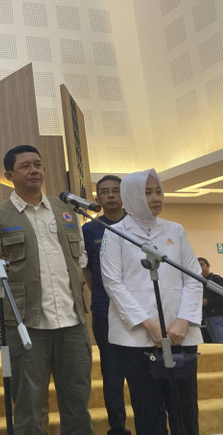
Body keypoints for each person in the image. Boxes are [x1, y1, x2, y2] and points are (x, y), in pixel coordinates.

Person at [0, 144, 93, 435]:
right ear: (10, 174)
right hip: (26, 325)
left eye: (38, 164)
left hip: (72, 323)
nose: (34, 170)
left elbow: (80, 260)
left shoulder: (66, 212)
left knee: (77, 404)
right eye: (25, 166)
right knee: (29, 408)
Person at [101, 169, 202, 435]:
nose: (156, 198)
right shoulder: (115, 233)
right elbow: (114, 284)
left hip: (181, 335)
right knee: (149, 412)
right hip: (136, 338)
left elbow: (193, 278)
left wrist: (183, 321)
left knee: (185, 411)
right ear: (132, 196)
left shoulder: (175, 230)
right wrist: (149, 325)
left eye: (158, 191)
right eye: (147, 192)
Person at [82, 175, 131, 435]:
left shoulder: (136, 225)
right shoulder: (89, 229)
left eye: (116, 191)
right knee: (112, 374)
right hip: (105, 311)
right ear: (98, 198)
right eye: (105, 192)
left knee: (141, 373)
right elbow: (87, 271)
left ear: (124, 195)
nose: (111, 195)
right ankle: (118, 428)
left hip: (140, 312)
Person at [200, 257, 223, 342]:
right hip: (207, 317)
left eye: (202, 265)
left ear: (208, 265)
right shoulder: (200, 283)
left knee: (220, 342)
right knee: (216, 344)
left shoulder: (216, 279)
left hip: (218, 316)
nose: (200, 268)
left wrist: (208, 302)